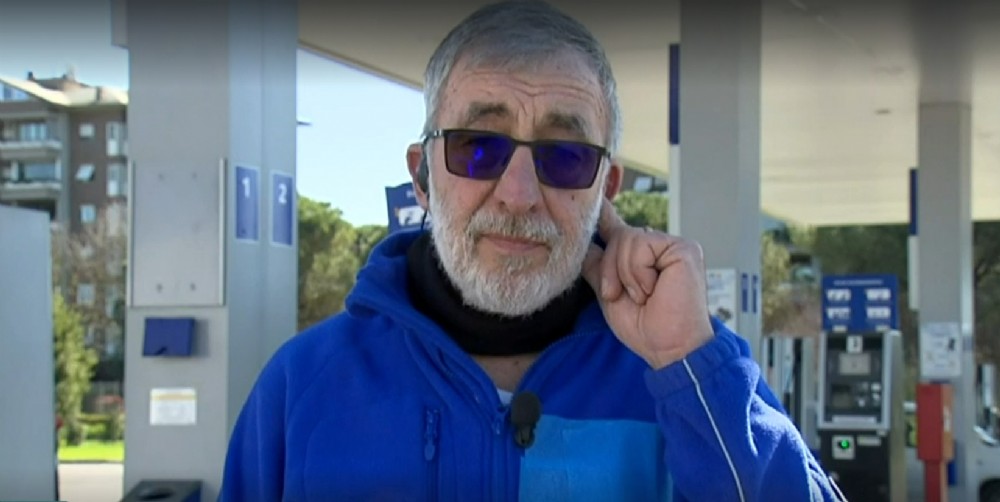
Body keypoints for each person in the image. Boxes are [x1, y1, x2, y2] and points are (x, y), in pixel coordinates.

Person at [220, 1, 846, 500]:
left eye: (565, 156)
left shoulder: (688, 374)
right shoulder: (304, 386)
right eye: (478, 148)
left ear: (606, 189)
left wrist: (689, 364)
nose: (518, 195)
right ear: (422, 177)